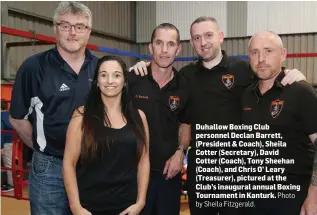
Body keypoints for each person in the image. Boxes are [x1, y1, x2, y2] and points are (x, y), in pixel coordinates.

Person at [129, 17, 306, 215]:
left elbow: (269, 75)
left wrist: (291, 73)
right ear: (191, 43)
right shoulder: (186, 76)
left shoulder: (242, 70)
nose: (203, 42)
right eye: (197, 38)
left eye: (208, 35)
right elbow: (184, 119)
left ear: (221, 37)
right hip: (201, 169)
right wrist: (142, 66)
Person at [9, 2, 98, 214]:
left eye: (80, 26)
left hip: (91, 167)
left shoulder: (101, 68)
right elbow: (17, 118)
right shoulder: (33, 67)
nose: (73, 33)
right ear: (55, 28)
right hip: (50, 170)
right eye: (65, 25)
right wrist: (44, 148)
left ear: (89, 32)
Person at [241, 31, 317, 215]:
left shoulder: (301, 92)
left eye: (268, 51)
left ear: (283, 54)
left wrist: (313, 196)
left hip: (292, 199)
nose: (261, 59)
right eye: (255, 52)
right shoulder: (245, 95)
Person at [62, 55, 150, 215]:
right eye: (103, 75)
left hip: (127, 207)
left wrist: (140, 202)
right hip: (90, 208)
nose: (110, 81)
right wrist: (76, 207)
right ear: (96, 81)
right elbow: (68, 164)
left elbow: (144, 161)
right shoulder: (81, 116)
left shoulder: (139, 117)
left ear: (124, 81)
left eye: (116, 75)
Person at [128, 23, 191, 215]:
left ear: (178, 49)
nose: (164, 50)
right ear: (150, 47)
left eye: (170, 44)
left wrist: (180, 152)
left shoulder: (184, 85)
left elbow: (185, 124)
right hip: (133, 175)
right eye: (159, 43)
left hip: (168, 175)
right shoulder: (132, 79)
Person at [1, 100, 14, 192]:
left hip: (6, 143)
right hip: (13, 141)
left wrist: (1, 146)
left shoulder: (1, 116)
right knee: (11, 163)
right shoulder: (10, 115)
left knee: (8, 163)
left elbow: (1, 132)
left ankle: (11, 184)